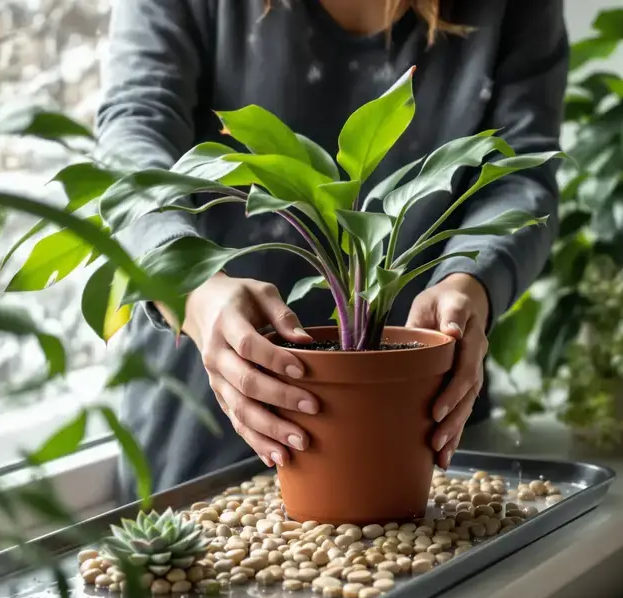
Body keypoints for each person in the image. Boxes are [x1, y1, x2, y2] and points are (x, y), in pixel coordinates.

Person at [99, 0, 567, 498]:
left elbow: (518, 176)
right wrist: (189, 285)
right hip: (201, 426)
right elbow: (134, 130)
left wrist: (470, 283)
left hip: (418, 420)